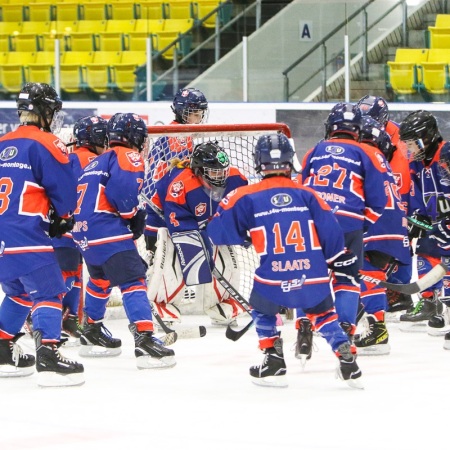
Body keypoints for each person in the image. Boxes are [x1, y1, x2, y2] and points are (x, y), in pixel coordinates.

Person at [207, 133, 363, 388]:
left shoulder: (244, 195)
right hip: (312, 272)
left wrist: (245, 235)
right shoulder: (309, 194)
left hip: (273, 275)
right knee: (323, 313)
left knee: (261, 308)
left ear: (259, 162)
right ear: (290, 161)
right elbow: (331, 230)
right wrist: (337, 257)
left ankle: (273, 359)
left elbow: (217, 231)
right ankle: (348, 360)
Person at [71, 112, 175, 369]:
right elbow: (122, 193)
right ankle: (145, 338)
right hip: (106, 228)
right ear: (134, 137)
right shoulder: (128, 155)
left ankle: (91, 329)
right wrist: (133, 215)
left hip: (83, 231)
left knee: (100, 279)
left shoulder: (98, 160)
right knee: (133, 280)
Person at [0, 82, 84, 387]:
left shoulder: (2, 141)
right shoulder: (48, 142)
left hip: (2, 237)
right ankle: (49, 354)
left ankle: (2, 349)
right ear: (44, 112)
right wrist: (64, 217)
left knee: (18, 292)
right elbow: (64, 190)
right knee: (50, 291)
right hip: (27, 234)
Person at [300, 102, 389, 346]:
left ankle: (304, 324)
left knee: (310, 276)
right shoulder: (366, 153)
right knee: (347, 279)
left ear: (330, 127)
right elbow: (378, 200)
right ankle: (345, 333)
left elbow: (300, 188)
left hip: (315, 223)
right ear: (358, 130)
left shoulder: (315, 150)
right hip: (349, 224)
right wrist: (361, 225)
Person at [146, 141, 248, 326]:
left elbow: (241, 207)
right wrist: (200, 246)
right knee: (173, 263)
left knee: (227, 261)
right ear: (199, 171)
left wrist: (241, 229)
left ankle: (220, 303)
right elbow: (180, 226)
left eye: (223, 170)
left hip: (205, 221)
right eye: (214, 171)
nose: (221, 176)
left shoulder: (235, 178)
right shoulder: (181, 185)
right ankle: (162, 304)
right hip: (166, 221)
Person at [144, 88, 209, 305]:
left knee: (160, 252)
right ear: (182, 112)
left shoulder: (179, 132)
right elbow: (177, 173)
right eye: (194, 112)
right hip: (162, 203)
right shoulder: (178, 136)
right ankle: (162, 292)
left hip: (157, 202)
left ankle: (160, 289)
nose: (198, 117)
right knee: (165, 252)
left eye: (201, 112)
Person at [355, 116, 410, 355]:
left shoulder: (361, 154)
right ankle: (375, 327)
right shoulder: (381, 159)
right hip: (393, 224)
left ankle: (377, 330)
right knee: (371, 272)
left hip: (377, 221)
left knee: (366, 270)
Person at [51, 115, 108, 345]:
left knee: (71, 271)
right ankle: (58, 316)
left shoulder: (71, 157)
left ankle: (65, 317)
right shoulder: (101, 161)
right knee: (73, 272)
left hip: (67, 222)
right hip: (85, 226)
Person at [357, 95, 414, 314]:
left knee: (402, 235)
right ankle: (374, 285)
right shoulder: (360, 132)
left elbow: (405, 177)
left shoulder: (400, 141)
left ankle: (399, 290)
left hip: (402, 188)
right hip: (377, 185)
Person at [399, 110, 450, 334]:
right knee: (424, 249)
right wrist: (418, 214)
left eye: (412, 144)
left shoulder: (446, 154)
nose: (409, 149)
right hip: (435, 220)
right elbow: (415, 192)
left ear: (426, 137)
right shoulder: (416, 162)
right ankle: (431, 302)